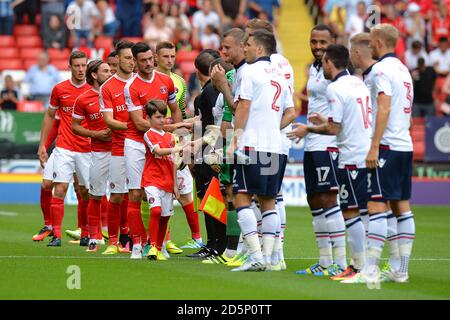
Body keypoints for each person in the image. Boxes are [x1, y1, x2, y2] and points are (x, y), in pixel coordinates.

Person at [289, 44, 372, 281]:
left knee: (352, 211)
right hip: (361, 152)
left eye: (324, 61)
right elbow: (346, 120)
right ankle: (352, 266)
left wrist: (309, 128)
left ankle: (355, 267)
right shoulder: (358, 82)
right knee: (359, 210)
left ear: (330, 62)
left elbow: (333, 129)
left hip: (350, 155)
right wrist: (325, 120)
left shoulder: (336, 87)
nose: (321, 66)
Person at [227, 29, 294, 272]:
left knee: (241, 197)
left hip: (251, 145)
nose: (243, 48)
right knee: (269, 201)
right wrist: (269, 128)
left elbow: (243, 106)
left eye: (248, 45)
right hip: (274, 146)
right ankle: (268, 257)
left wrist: (235, 139)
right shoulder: (280, 74)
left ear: (259, 48)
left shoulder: (249, 71)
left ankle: (255, 256)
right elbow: (291, 112)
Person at [362, 24, 415, 283]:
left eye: (371, 40)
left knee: (376, 204)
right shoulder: (404, 70)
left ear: (380, 42)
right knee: (401, 206)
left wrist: (374, 145)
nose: (369, 45)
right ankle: (400, 269)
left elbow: (383, 108)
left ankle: (370, 270)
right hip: (404, 144)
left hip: (386, 147)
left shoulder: (381, 70)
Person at [294, 25, 346, 277]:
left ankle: (340, 261)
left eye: (322, 42)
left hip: (329, 142)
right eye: (313, 41)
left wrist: (328, 120)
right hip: (312, 143)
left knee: (328, 198)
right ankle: (324, 262)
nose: (317, 46)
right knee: (314, 199)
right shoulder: (315, 68)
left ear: (333, 42)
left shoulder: (339, 73)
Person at [245, 18, 295, 271]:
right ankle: (277, 254)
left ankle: (263, 254)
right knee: (273, 197)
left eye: (248, 38)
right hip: (279, 139)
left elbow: (245, 106)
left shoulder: (258, 67)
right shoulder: (283, 64)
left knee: (257, 197)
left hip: (261, 139)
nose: (245, 44)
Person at [123, 42, 182, 259]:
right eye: (143, 60)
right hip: (137, 143)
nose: (148, 63)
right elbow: (139, 123)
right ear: (135, 62)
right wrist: (170, 128)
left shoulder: (166, 80)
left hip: (162, 142)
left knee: (166, 192)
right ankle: (137, 244)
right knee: (136, 193)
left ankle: (157, 243)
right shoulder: (131, 87)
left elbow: (175, 110)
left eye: (150, 59)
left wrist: (176, 138)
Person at [37, 51, 92, 247]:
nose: (80, 69)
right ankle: (57, 235)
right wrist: (43, 144)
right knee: (59, 188)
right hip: (65, 148)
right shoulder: (59, 89)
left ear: (87, 67)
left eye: (83, 65)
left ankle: (85, 233)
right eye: (76, 65)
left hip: (86, 149)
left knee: (85, 192)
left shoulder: (94, 91)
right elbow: (50, 116)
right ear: (69, 67)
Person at [155, 41, 203, 251]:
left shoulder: (179, 82)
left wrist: (183, 138)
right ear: (156, 57)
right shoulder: (150, 80)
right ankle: (164, 240)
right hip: (155, 140)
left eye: (172, 56)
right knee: (159, 192)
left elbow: (182, 113)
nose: (169, 60)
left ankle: (197, 237)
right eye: (165, 56)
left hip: (174, 139)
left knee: (184, 192)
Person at [72, 59, 112, 252]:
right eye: (105, 71)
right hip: (98, 152)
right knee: (95, 195)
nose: (110, 73)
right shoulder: (83, 99)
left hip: (121, 150)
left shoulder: (117, 93)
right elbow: (75, 127)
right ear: (94, 75)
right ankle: (94, 238)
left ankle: (123, 239)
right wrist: (95, 134)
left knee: (126, 195)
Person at [100, 40, 135, 255]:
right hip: (119, 148)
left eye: (133, 58)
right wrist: (133, 126)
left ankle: (135, 240)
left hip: (142, 146)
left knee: (137, 196)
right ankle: (113, 242)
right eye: (128, 58)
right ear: (118, 59)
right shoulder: (108, 87)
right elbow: (109, 120)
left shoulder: (141, 82)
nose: (131, 62)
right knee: (116, 195)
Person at [142, 100, 184, 260]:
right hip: (152, 179)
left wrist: (175, 184)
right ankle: (152, 246)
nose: (162, 120)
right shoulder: (148, 134)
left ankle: (159, 248)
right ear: (149, 118)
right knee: (156, 211)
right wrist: (177, 148)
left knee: (165, 216)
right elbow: (158, 151)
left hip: (167, 181)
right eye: (158, 117)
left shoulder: (170, 137)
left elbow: (173, 162)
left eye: (164, 117)